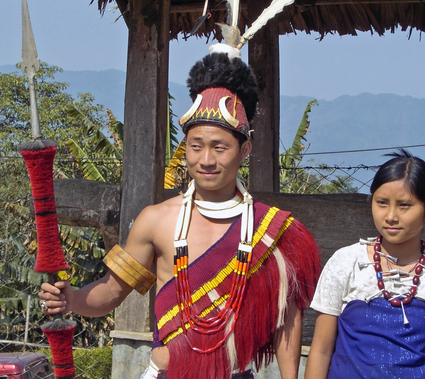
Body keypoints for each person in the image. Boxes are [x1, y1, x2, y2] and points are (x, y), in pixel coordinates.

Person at [39, 48, 320, 379]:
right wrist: (72, 299)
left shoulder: (270, 231)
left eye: (220, 147)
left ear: (245, 150)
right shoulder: (156, 220)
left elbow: (286, 319)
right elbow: (112, 291)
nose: (206, 160)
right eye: (196, 146)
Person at [304, 149, 425, 379]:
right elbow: (321, 351)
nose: (391, 216)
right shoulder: (347, 263)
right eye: (382, 203)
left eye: (404, 205)